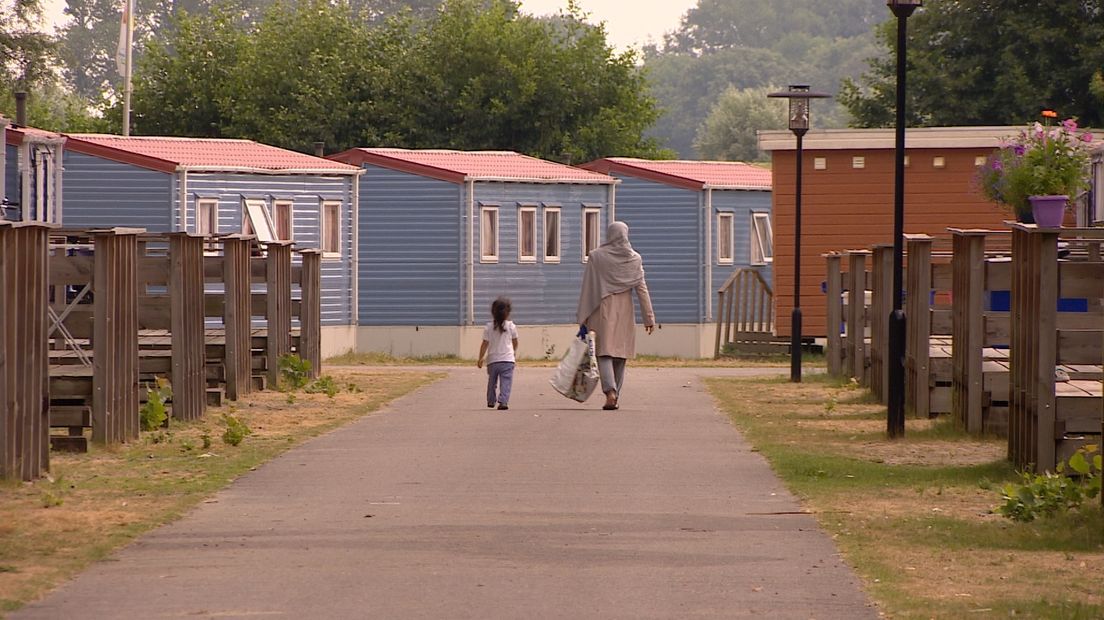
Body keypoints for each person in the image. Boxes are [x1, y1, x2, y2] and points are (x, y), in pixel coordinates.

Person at [576, 221, 656, 410]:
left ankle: (610, 392)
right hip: (625, 311)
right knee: (620, 353)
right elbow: (641, 288)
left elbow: (588, 286)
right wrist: (649, 317)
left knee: (604, 352)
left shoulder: (596, 256)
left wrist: (583, 316)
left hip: (601, 309)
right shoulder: (634, 259)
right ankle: (615, 394)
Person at [477, 297, 518, 410]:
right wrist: (513, 353)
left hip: (493, 361)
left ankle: (491, 400)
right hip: (508, 360)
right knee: (506, 382)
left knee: (492, 382)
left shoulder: (488, 327)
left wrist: (480, 358)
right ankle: (503, 401)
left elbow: (484, 344)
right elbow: (515, 342)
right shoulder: (511, 326)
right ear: (508, 312)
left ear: (493, 312)